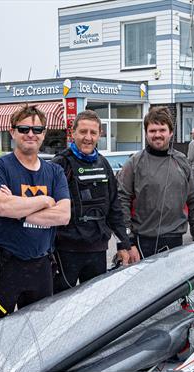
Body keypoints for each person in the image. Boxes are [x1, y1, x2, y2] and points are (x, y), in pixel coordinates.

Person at [0, 104, 71, 317]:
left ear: (44, 134)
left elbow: (64, 215)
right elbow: (1, 207)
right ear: (12, 132)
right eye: (23, 129)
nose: (30, 134)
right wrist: (46, 199)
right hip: (6, 265)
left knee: (39, 334)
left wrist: (17, 208)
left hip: (42, 266)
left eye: (37, 130)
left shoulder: (55, 171)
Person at [50, 110, 135, 292]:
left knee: (93, 306)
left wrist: (123, 244)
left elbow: (115, 208)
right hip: (65, 253)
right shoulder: (59, 164)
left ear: (99, 135)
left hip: (97, 251)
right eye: (83, 132)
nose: (88, 138)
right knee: (60, 309)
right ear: (73, 133)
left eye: (93, 133)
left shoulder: (103, 164)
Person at [117, 105, 194, 260]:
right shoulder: (133, 163)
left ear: (170, 132)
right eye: (152, 131)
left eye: (162, 130)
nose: (157, 135)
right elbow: (121, 202)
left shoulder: (182, 162)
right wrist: (128, 243)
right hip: (141, 244)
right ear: (146, 133)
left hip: (176, 242)